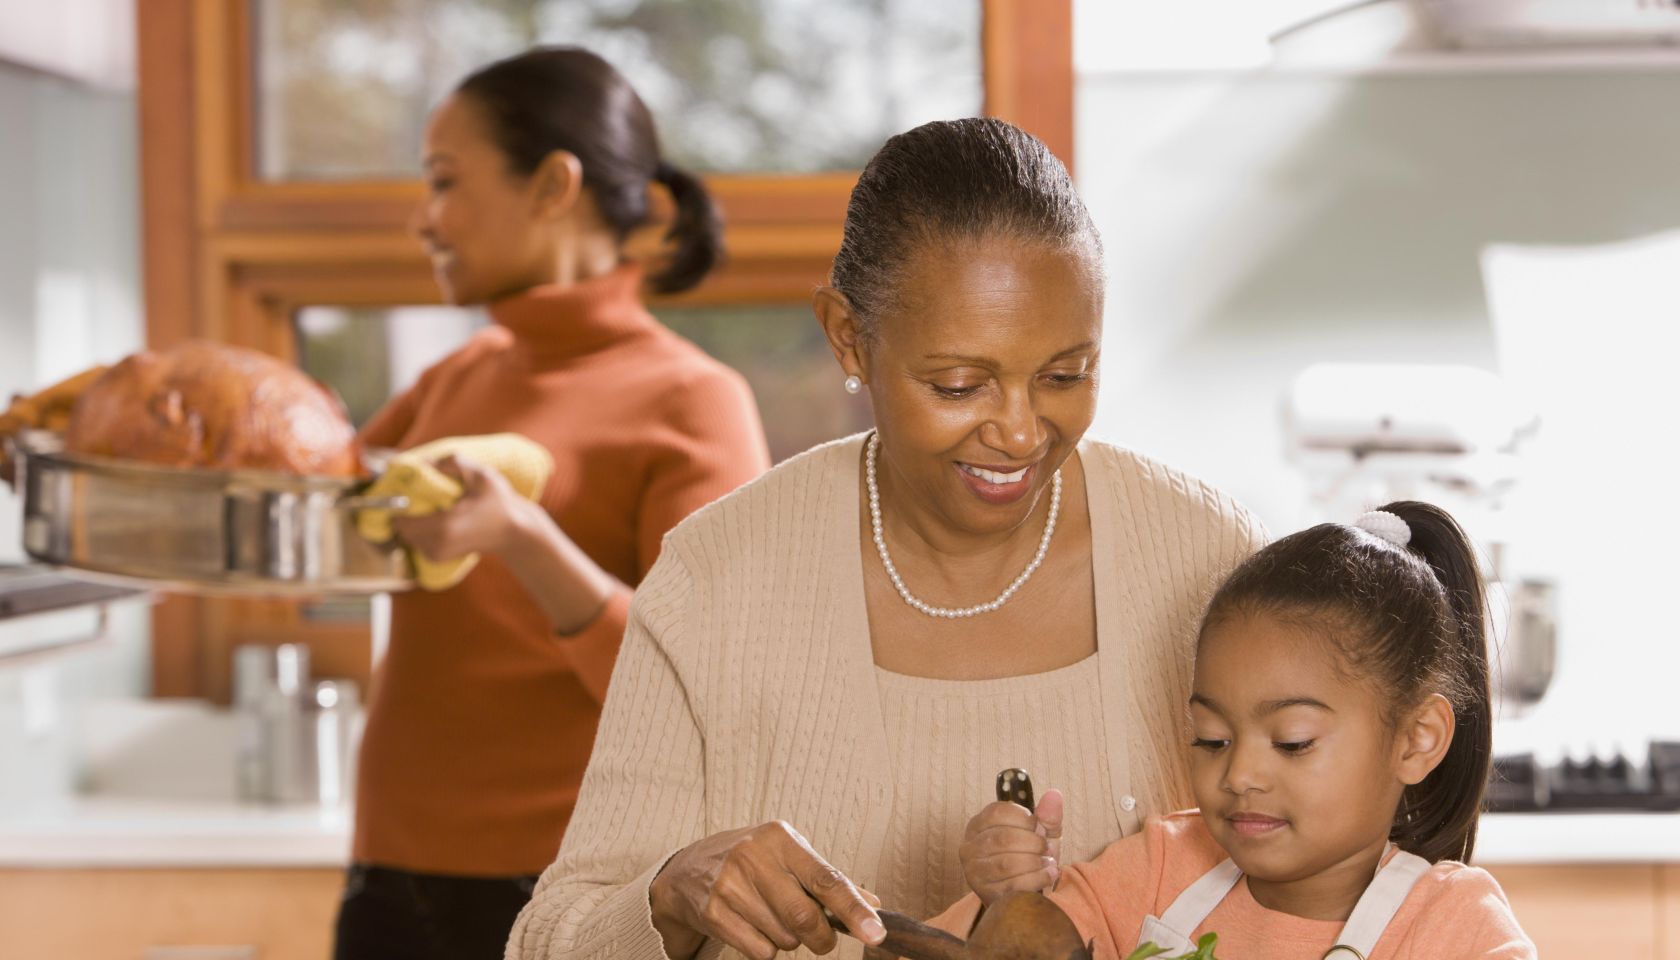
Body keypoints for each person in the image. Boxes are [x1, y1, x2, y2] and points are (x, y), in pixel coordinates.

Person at [506, 117, 1267, 960]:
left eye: (1065, 375)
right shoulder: (716, 582)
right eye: (958, 384)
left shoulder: (1208, 560)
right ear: (848, 338)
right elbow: (549, 940)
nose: (1019, 432)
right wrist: (674, 894)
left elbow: (1357, 878)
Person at [333, 48, 770, 960]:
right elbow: (321, 522)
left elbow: (708, 702)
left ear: (552, 186)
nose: (426, 220)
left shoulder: (693, 400)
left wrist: (525, 539)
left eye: (445, 182)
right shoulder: (454, 378)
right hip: (388, 879)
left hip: (569, 899)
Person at [949, 501, 1536, 959]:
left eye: (1291, 742)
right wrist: (1003, 899)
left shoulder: (1456, 929)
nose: (1239, 775)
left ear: (1417, 738)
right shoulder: (1157, 870)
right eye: (1212, 738)